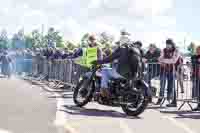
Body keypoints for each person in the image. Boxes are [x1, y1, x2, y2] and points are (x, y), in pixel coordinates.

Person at [156, 39, 181, 107]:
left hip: (173, 70)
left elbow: (173, 60)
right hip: (163, 70)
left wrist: (164, 60)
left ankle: (172, 101)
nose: (167, 45)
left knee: (171, 87)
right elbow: (159, 59)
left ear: (172, 44)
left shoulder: (176, 50)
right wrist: (163, 60)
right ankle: (160, 99)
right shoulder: (163, 50)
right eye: (166, 44)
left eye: (169, 44)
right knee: (162, 86)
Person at [191, 46, 200, 111]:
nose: (197, 51)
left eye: (198, 50)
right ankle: (198, 105)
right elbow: (191, 65)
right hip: (195, 75)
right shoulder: (193, 56)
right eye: (197, 49)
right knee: (197, 91)